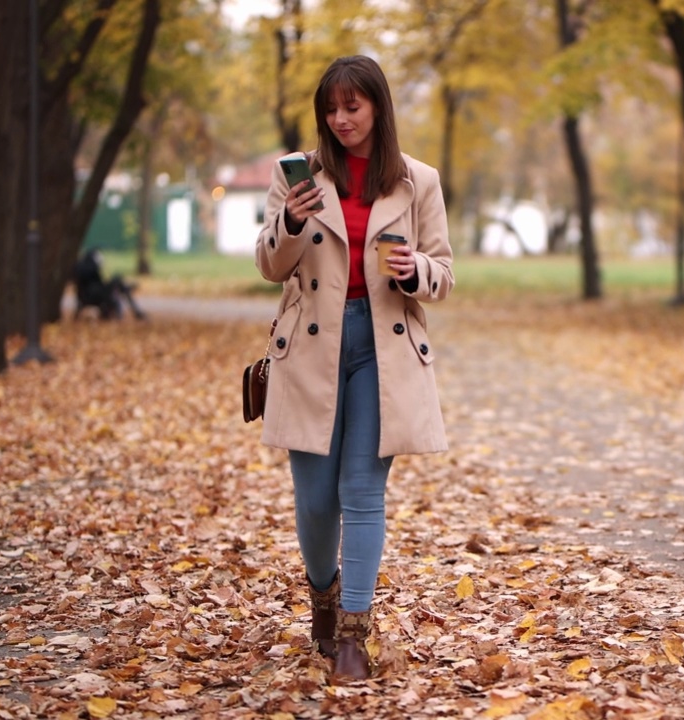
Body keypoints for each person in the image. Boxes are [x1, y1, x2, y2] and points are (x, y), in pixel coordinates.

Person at [254, 55, 454, 680]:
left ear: (377, 108)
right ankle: (323, 591)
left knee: (362, 494)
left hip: (382, 347)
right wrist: (290, 219)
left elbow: (444, 274)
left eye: (353, 106)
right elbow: (267, 263)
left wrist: (415, 270)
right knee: (315, 502)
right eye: (331, 109)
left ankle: (353, 634)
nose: (340, 120)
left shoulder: (417, 180)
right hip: (312, 348)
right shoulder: (300, 178)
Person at [72, 249, 146, 321]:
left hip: (96, 293)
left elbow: (99, 282)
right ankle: (126, 290)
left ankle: (125, 290)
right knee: (116, 281)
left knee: (117, 281)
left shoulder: (88, 267)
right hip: (92, 295)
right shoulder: (87, 267)